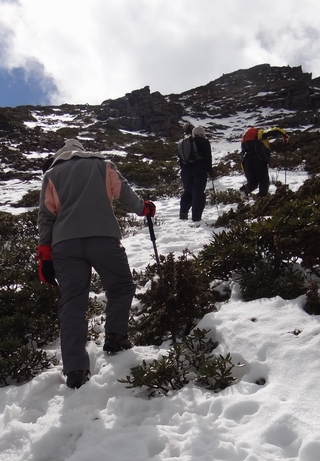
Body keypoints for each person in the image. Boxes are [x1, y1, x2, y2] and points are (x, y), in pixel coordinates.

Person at [37, 138, 156, 389]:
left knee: (72, 305)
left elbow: (46, 218)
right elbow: (124, 193)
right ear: (82, 152)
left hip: (64, 245)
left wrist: (45, 255)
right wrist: (144, 209)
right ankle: (115, 336)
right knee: (121, 286)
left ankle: (76, 370)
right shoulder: (103, 165)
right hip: (103, 238)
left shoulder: (51, 174)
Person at [239, 127, 289, 197]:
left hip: (246, 161)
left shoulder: (245, 144)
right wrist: (284, 133)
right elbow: (274, 131)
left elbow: (242, 156)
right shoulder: (260, 134)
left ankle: (244, 190)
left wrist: (245, 171)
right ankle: (262, 200)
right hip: (258, 159)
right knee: (264, 181)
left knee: (253, 183)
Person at [177, 124, 213, 221]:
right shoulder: (204, 142)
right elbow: (207, 158)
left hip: (185, 171)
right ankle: (196, 216)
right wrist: (210, 171)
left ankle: (183, 213)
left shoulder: (185, 142)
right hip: (199, 169)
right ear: (202, 134)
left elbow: (180, 160)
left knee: (188, 192)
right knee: (198, 192)